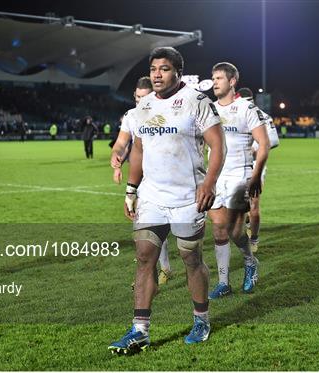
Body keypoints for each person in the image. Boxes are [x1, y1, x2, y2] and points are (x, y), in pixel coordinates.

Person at [109, 47, 225, 354]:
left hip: (189, 196)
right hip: (152, 196)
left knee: (191, 259)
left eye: (164, 69)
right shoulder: (142, 108)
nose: (157, 74)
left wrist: (209, 184)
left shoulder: (197, 102)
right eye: (154, 69)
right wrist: (131, 188)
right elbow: (138, 150)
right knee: (145, 258)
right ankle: (139, 330)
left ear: (177, 72)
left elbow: (218, 144)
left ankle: (201, 319)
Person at [207, 63, 270, 300]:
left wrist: (255, 177)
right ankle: (223, 282)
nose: (215, 82)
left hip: (239, 175)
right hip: (216, 177)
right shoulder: (210, 109)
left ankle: (249, 261)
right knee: (218, 229)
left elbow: (263, 145)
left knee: (234, 230)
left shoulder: (246, 108)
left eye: (219, 78)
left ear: (232, 81)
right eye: (213, 78)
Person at [110, 77, 172, 285]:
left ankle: (162, 268)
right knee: (143, 225)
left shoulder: (165, 113)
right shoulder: (131, 116)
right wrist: (117, 158)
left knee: (180, 236)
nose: (140, 102)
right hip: (140, 178)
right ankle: (156, 270)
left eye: (144, 98)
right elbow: (121, 142)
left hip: (166, 177)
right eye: (137, 97)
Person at [237, 87, 280, 254]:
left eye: (249, 102)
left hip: (256, 165)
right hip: (237, 165)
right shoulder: (233, 115)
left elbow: (274, 140)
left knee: (254, 203)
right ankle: (246, 225)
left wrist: (257, 148)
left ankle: (254, 238)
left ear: (253, 101)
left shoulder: (262, 116)